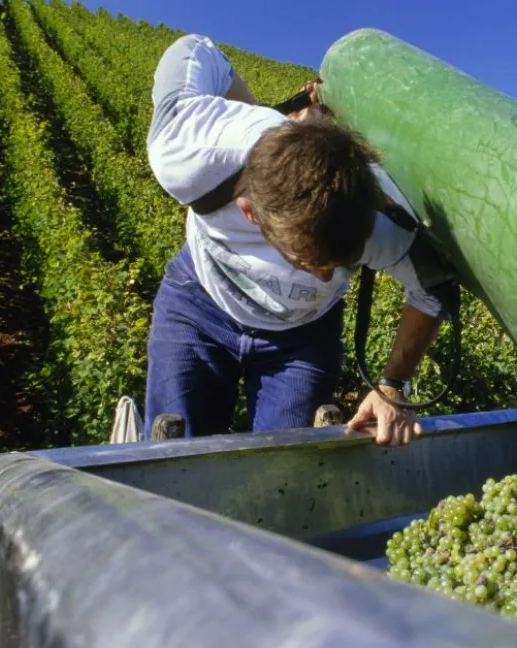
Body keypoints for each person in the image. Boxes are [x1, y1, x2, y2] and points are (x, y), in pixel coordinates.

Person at [142, 33, 453, 447]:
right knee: (175, 455)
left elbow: (433, 287)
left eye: (341, 264)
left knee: (289, 466)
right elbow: (195, 48)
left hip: (302, 337)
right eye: (307, 262)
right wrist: (253, 112)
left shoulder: (376, 222)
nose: (326, 278)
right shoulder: (187, 148)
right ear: (250, 212)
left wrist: (393, 386)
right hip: (199, 305)